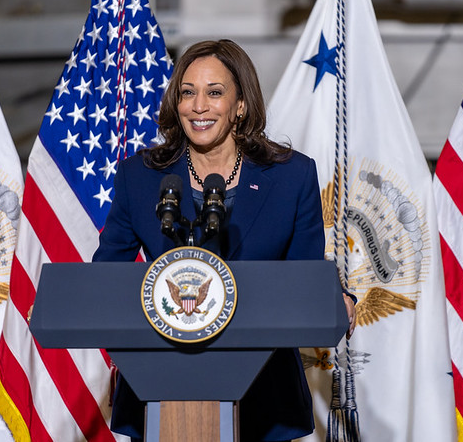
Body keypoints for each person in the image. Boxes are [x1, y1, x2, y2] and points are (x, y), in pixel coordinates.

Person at [93, 39, 356, 441]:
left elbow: (305, 275)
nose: (198, 106)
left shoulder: (291, 177)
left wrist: (333, 297)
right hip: (161, 392)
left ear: (241, 105)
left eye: (214, 93)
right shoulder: (140, 176)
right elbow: (104, 279)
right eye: (187, 92)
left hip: (265, 399)